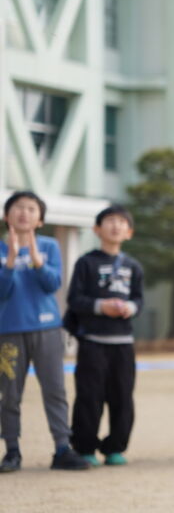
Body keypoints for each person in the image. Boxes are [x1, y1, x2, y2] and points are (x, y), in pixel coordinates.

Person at [0, 191, 88, 472]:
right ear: (6, 216)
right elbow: (2, 291)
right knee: (10, 394)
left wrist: (36, 259)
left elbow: (53, 284)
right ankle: (12, 451)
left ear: (40, 220)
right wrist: (12, 260)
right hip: (10, 331)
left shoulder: (49, 246)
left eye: (31, 209)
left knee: (55, 390)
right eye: (18, 208)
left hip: (48, 328)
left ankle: (62, 448)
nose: (24, 213)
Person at [66, 205, 144, 467]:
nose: (116, 226)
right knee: (89, 396)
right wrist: (102, 306)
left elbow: (138, 299)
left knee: (123, 396)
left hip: (123, 343)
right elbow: (74, 299)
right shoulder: (86, 262)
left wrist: (129, 308)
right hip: (92, 341)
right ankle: (85, 446)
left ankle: (115, 447)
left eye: (122, 222)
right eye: (110, 221)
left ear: (129, 232)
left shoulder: (133, 265)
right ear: (97, 229)